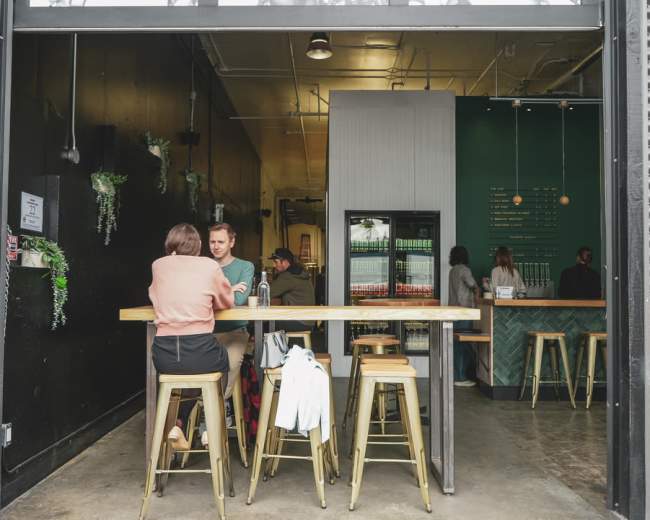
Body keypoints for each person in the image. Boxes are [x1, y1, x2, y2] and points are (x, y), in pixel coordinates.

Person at [149, 223, 234, 450]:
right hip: (200, 349)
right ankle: (210, 426)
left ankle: (178, 423)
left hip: (164, 354)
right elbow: (226, 302)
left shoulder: (158, 265)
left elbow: (155, 296)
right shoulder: (208, 266)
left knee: (185, 377)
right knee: (221, 362)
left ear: (170, 244)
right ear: (198, 246)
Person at [209, 223, 255, 425]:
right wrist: (229, 289)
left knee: (230, 363)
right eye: (212, 241)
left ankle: (210, 413)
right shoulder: (204, 265)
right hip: (206, 332)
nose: (216, 246)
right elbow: (196, 297)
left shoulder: (245, 266)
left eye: (221, 241)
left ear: (232, 242)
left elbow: (238, 299)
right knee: (195, 370)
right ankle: (214, 413)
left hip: (235, 331)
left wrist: (214, 292)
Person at [448, 246, 480, 387]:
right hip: (465, 310)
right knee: (463, 344)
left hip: (454, 310)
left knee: (456, 344)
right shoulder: (464, 270)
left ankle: (456, 376)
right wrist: (478, 290)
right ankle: (461, 378)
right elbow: (472, 285)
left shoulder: (452, 270)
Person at [269, 247, 315, 333]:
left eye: (276, 262)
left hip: (300, 321)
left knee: (264, 323)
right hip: (308, 320)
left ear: (285, 262)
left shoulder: (288, 276)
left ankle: (264, 346)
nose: (274, 265)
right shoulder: (299, 272)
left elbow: (267, 293)